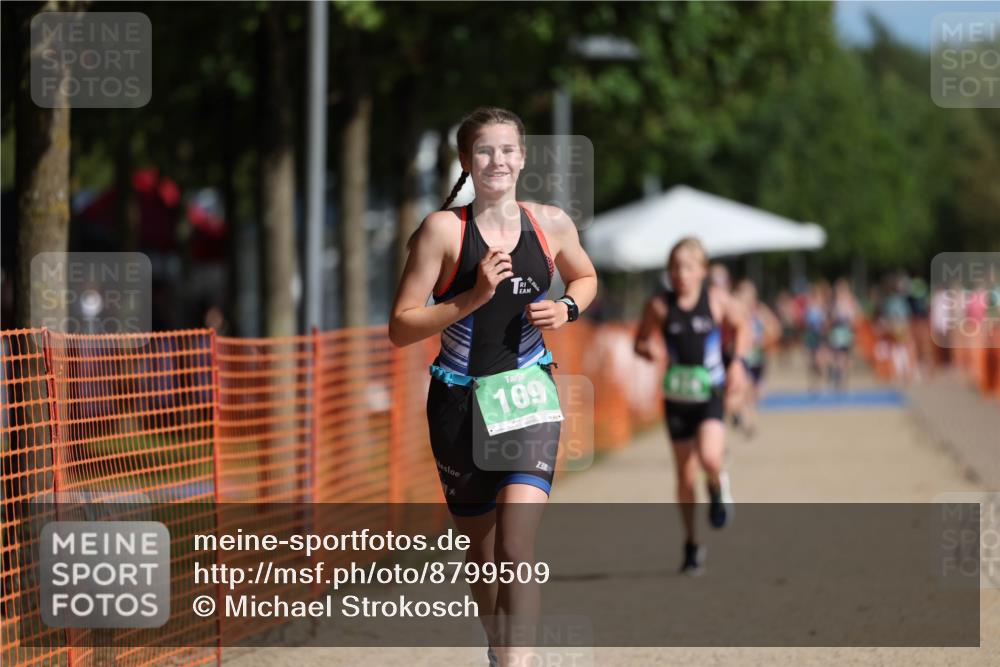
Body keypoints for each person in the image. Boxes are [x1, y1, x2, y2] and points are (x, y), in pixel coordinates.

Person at [388, 107, 597, 665]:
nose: (497, 160)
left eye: (508, 150)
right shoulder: (443, 232)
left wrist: (569, 306)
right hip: (458, 403)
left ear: (523, 158)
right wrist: (470, 299)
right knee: (481, 557)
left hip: (528, 395)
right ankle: (498, 649)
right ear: (466, 161)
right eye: (484, 151)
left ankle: (516, 663)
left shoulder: (551, 224)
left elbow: (587, 274)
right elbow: (401, 326)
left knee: (514, 547)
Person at [633, 237, 750, 575]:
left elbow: (742, 325)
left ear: (702, 270)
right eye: (675, 267)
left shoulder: (716, 301)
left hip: (710, 392)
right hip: (677, 398)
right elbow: (640, 340)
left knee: (711, 457)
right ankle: (692, 543)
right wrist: (649, 350)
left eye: (687, 267)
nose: (681, 274)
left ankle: (717, 483)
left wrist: (738, 362)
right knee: (685, 476)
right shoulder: (659, 306)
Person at [732, 279, 781, 437]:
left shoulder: (760, 310)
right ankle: (748, 421)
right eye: (743, 293)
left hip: (759, 357)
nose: (747, 296)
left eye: (750, 293)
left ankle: (744, 414)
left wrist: (765, 339)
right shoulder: (734, 310)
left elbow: (775, 327)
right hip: (742, 357)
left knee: (756, 392)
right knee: (745, 388)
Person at [827, 278, 859, 390]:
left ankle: (843, 377)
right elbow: (832, 316)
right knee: (838, 355)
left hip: (846, 331)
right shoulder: (835, 302)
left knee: (846, 356)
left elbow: (855, 316)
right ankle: (839, 376)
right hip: (838, 331)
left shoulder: (851, 301)